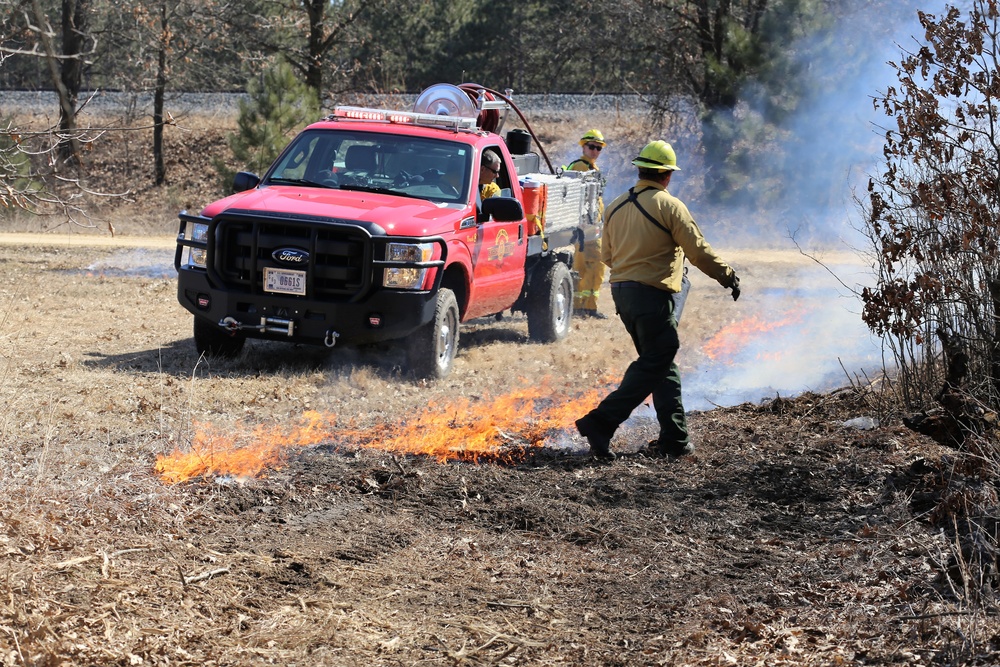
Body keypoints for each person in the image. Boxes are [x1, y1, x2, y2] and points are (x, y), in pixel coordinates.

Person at [574, 140, 741, 460]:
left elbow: (607, 255)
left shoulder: (616, 206)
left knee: (661, 362)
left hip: (622, 294)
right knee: (655, 361)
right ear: (667, 175)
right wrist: (727, 275)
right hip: (652, 296)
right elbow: (698, 251)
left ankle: (675, 439)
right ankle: (601, 422)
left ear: (640, 170)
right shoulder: (670, 206)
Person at [567, 129, 607, 319]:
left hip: (591, 225)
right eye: (591, 146)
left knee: (587, 266)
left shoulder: (592, 168)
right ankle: (585, 307)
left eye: (599, 148)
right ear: (583, 146)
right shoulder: (579, 167)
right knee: (591, 265)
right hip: (585, 227)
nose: (595, 151)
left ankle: (583, 306)